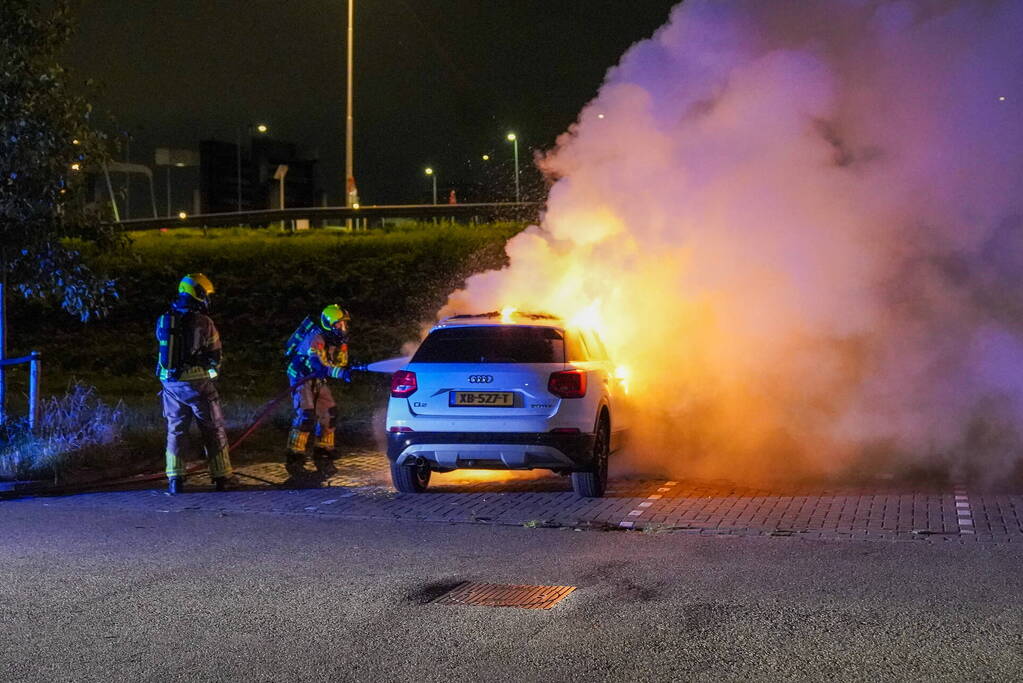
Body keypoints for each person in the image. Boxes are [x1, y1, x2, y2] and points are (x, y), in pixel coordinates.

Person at [155, 273, 234, 494]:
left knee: (176, 430)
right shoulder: (205, 322)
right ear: (198, 294)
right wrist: (211, 373)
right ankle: (222, 476)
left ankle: (175, 479)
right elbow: (215, 355)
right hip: (198, 383)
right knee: (213, 428)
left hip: (170, 384)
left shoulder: (164, 319)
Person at [283, 304, 352, 479]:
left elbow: (340, 363)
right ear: (329, 325)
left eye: (344, 324)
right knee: (306, 416)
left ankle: (323, 456)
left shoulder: (336, 340)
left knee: (330, 413)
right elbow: (318, 366)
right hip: (301, 377)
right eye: (339, 324)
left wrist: (346, 364)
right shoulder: (317, 338)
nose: (343, 328)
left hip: (317, 378)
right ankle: (295, 460)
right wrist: (340, 373)